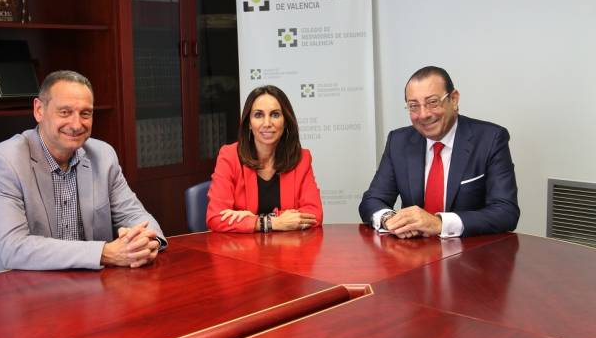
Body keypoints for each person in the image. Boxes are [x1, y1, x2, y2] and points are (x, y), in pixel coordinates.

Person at [0, 70, 166, 277]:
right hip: (3, 283)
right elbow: (14, 247)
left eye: (85, 113)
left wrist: (146, 242)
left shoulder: (103, 155)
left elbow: (135, 215)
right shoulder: (4, 161)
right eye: (65, 112)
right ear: (39, 110)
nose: (76, 125)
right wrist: (104, 253)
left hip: (77, 281)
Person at [358, 66, 519, 238]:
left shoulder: (490, 139)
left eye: (433, 102)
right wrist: (389, 219)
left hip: (470, 250)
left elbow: (506, 212)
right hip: (413, 250)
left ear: (454, 99)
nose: (423, 114)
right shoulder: (398, 141)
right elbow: (372, 200)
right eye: (414, 106)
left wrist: (440, 223)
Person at [206, 85, 323, 233]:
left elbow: (315, 214)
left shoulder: (301, 158)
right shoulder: (229, 156)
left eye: (275, 115)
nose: (267, 123)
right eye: (258, 115)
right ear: (249, 123)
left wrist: (254, 220)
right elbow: (215, 217)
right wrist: (272, 222)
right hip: (241, 247)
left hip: (287, 246)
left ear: (286, 121)